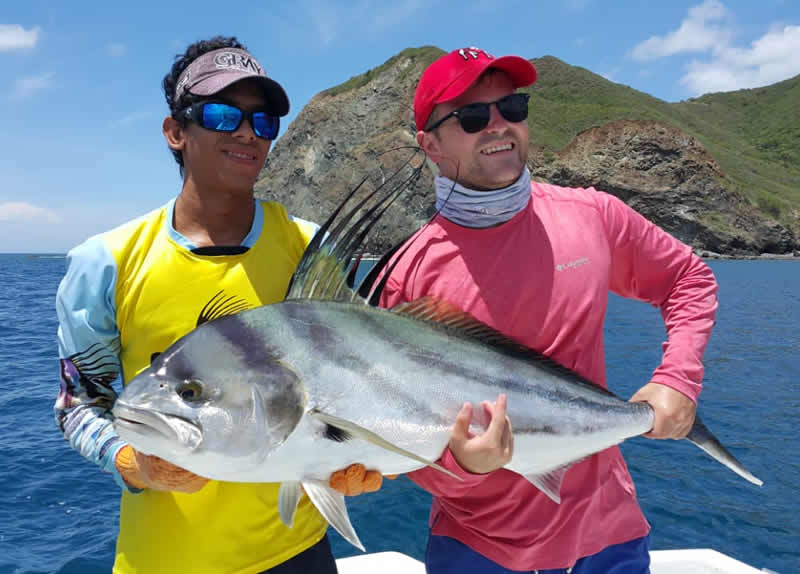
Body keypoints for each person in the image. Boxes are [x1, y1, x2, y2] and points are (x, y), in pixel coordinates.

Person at [378, 46, 719, 573]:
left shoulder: (593, 216)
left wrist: (677, 379)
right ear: (430, 145)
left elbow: (687, 279)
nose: (498, 126)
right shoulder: (408, 272)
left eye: (511, 109)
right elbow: (394, 431)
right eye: (472, 116)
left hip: (608, 536)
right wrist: (460, 464)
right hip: (476, 548)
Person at [54, 36, 380, 574]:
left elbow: (357, 383)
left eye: (263, 120)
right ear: (175, 132)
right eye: (223, 114)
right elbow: (77, 403)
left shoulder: (313, 249)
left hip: (299, 552)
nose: (248, 132)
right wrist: (131, 461)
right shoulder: (106, 262)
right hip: (164, 559)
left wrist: (357, 458)